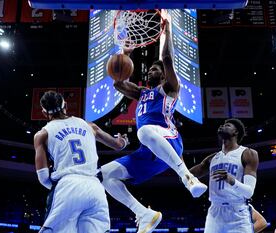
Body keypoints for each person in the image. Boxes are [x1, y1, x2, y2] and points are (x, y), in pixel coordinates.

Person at [100, 19, 207, 233]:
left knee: (144, 131)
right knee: (104, 175)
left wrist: (166, 33)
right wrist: (126, 54)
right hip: (148, 151)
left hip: (169, 139)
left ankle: (188, 177)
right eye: (148, 70)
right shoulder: (142, 94)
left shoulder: (170, 88)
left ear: (164, 73)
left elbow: (166, 58)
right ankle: (144, 213)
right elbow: (118, 83)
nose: (150, 72)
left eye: (155, 69)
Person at [34, 91, 129, 233]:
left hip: (67, 185)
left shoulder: (42, 134)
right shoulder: (90, 126)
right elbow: (118, 145)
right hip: (95, 187)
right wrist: (123, 141)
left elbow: (43, 177)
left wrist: (61, 188)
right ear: (65, 105)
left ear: (43, 112)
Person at [189, 118, 259, 233]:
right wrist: (177, 160)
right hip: (214, 213)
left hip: (238, 213)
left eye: (227, 125)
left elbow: (249, 192)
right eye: (222, 124)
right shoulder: (212, 158)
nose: (222, 126)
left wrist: (232, 181)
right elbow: (186, 175)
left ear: (235, 132)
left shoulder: (248, 153)